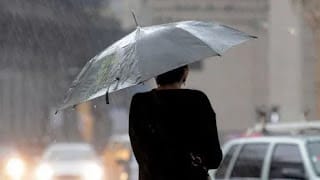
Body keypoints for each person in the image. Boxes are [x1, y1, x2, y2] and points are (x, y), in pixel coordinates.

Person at [129, 65, 222, 180]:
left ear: (155, 74)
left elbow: (140, 151)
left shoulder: (140, 103)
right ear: (185, 73)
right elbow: (214, 159)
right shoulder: (198, 100)